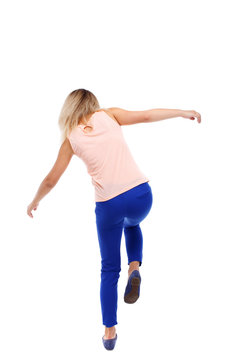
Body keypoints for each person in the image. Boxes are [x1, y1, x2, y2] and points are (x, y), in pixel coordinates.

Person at [27, 88, 201, 350]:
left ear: (69, 110)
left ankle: (110, 331)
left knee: (109, 268)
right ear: (93, 103)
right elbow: (145, 116)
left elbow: (52, 178)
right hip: (142, 196)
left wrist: (35, 200)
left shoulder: (71, 139)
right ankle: (135, 268)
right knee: (133, 223)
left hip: (109, 205)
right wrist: (181, 112)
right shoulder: (109, 115)